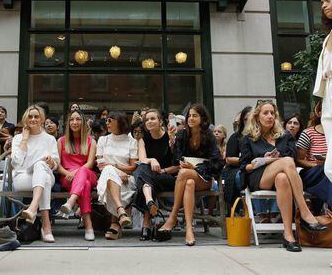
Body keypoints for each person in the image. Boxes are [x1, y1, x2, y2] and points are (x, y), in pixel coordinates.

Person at [240, 100, 327, 252]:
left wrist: (276, 161)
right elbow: (244, 166)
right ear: (257, 116)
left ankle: (288, 236)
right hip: (259, 177)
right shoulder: (248, 137)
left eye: (272, 113)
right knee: (285, 161)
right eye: (265, 113)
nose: (270, 116)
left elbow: (293, 160)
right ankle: (305, 212)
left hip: (281, 175)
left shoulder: (285, 136)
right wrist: (264, 160)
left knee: (282, 178)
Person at [159, 104, 224, 246]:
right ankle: (189, 229)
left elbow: (218, 163)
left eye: (195, 115)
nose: (191, 118)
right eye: (189, 115)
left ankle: (173, 216)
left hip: (205, 178)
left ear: (202, 118)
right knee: (189, 183)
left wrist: (193, 167)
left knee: (184, 173)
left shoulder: (209, 136)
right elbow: (175, 159)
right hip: (188, 180)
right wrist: (172, 140)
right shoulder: (182, 134)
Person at [12, 105, 59, 243]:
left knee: (41, 166)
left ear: (42, 119)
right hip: (23, 177)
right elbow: (16, 163)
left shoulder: (49, 139)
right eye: (30, 116)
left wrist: (51, 162)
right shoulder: (18, 138)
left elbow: (56, 164)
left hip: (46, 174)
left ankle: (33, 207)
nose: (33, 119)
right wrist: (25, 140)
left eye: (36, 116)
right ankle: (46, 226)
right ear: (26, 119)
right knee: (43, 177)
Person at [133, 109, 179, 241]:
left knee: (143, 175)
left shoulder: (170, 136)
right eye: (147, 120)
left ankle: (146, 224)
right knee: (143, 169)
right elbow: (142, 159)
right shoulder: (143, 139)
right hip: (152, 178)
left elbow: (179, 164)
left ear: (160, 122)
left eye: (153, 119)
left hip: (168, 177)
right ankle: (149, 202)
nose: (149, 121)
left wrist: (172, 140)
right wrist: (152, 159)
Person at [96, 111, 138, 240]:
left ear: (119, 122)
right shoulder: (103, 140)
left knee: (110, 171)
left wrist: (116, 169)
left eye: (110, 120)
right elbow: (100, 164)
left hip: (126, 178)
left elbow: (133, 167)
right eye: (106, 120)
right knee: (108, 171)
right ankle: (120, 212)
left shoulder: (132, 141)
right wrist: (115, 171)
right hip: (107, 176)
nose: (106, 123)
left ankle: (115, 222)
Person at [57, 111, 97, 241]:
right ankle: (88, 226)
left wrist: (76, 172)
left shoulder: (91, 141)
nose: (75, 122)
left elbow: (90, 163)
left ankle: (70, 202)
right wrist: (68, 173)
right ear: (68, 123)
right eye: (72, 120)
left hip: (87, 173)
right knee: (84, 185)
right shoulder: (61, 141)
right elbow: (57, 165)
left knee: (83, 174)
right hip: (67, 177)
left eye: (78, 119)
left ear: (83, 122)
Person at [297, 101, 332, 211]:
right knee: (325, 169)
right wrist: (314, 164)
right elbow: (298, 160)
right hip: (312, 172)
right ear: (320, 113)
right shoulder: (308, 133)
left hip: (327, 174)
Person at [313, 0, 332, 184]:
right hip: (329, 99)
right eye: (322, 2)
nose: (324, 5)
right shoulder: (327, 37)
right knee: (330, 167)